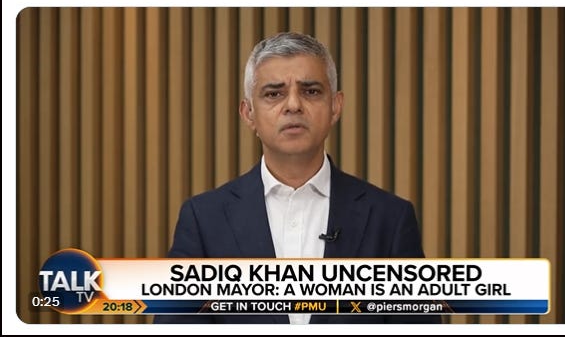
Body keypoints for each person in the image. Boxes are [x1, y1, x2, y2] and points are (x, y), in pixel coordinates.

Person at [154, 32, 441, 324]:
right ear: (248, 113)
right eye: (274, 94)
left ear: (336, 106)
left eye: (311, 91)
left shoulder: (390, 219)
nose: (293, 105)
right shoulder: (204, 220)